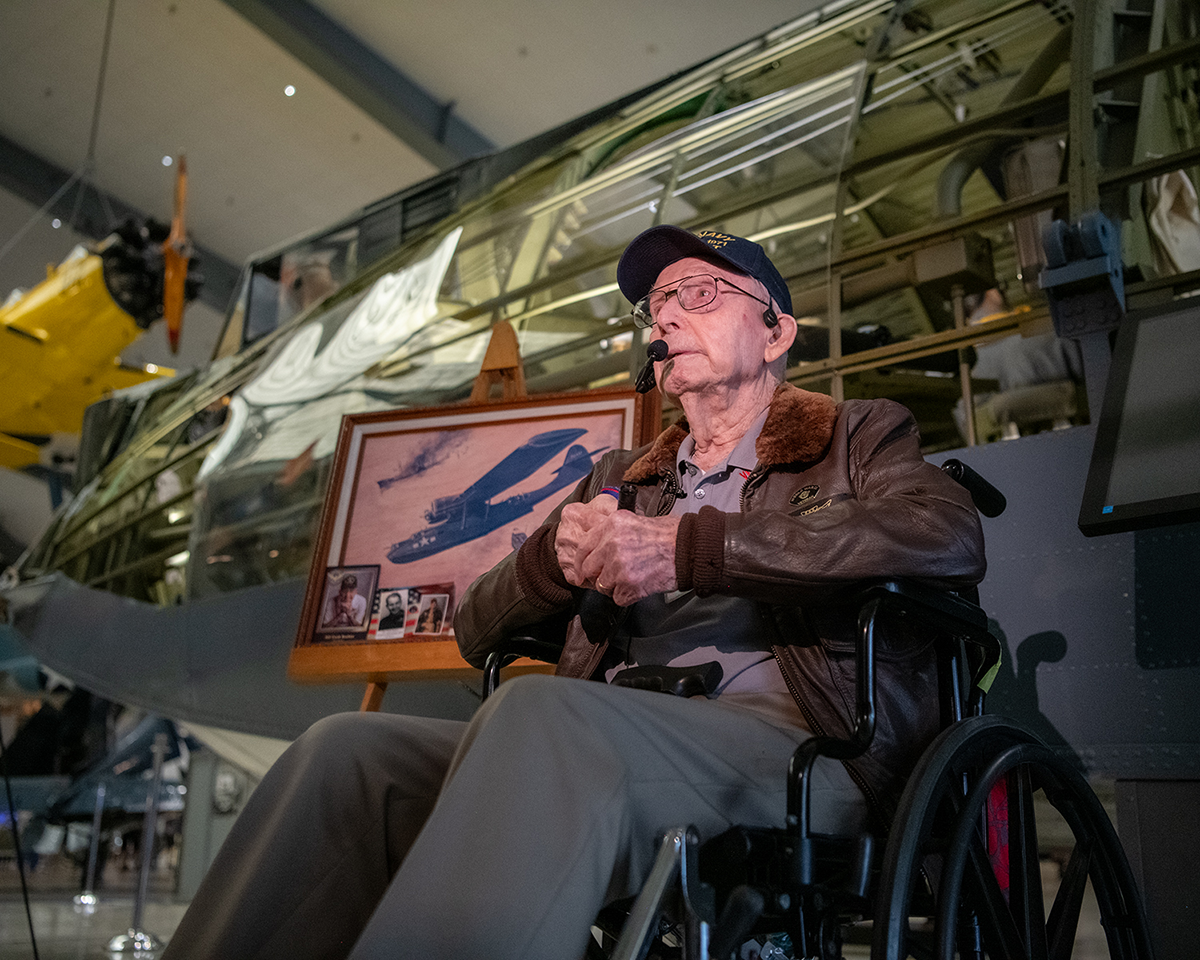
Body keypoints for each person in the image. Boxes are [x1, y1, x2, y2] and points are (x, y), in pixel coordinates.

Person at [161, 226, 984, 960]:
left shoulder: (857, 434)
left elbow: (943, 535)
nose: (666, 318)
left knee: (541, 715)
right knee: (344, 753)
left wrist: (689, 549)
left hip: (801, 745)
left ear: (777, 333)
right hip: (609, 732)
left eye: (699, 294)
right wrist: (553, 558)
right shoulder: (622, 478)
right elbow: (476, 629)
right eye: (658, 306)